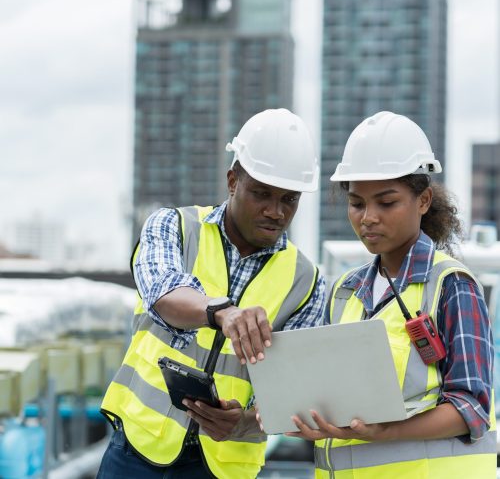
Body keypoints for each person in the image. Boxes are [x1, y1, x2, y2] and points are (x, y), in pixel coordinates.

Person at [97, 108, 326, 479]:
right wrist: (222, 311)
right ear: (233, 180)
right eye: (261, 193)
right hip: (137, 452)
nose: (275, 211)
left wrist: (245, 423)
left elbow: (294, 397)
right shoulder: (175, 227)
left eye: (290, 199)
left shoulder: (308, 282)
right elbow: (163, 292)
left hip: (223, 466)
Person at [287, 111, 496, 478]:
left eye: (386, 203)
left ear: (424, 200)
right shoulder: (344, 292)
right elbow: (324, 394)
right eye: (357, 203)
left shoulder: (450, 286)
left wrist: (386, 432)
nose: (368, 217)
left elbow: (472, 408)